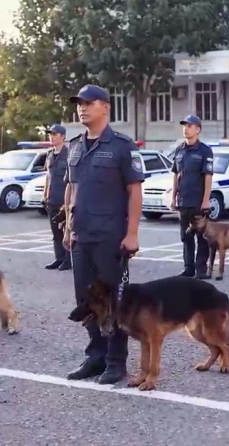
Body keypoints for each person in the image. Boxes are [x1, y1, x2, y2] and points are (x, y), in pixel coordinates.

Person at [62, 84, 144, 384]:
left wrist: (132, 233)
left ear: (105, 107)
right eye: (79, 104)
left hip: (111, 238)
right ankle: (95, 356)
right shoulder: (75, 145)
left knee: (113, 300)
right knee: (86, 300)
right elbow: (72, 188)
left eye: (88, 103)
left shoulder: (122, 145)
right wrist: (68, 228)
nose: (82, 108)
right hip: (81, 237)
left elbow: (135, 191)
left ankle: (115, 361)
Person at [170, 114, 214, 279]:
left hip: (198, 202)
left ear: (198, 129)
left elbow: (208, 176)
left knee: (202, 238)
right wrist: (173, 197)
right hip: (183, 202)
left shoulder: (204, 151)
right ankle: (189, 268)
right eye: (184, 126)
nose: (186, 129)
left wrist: (205, 200)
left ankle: (201, 270)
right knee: (185, 237)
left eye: (189, 126)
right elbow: (176, 174)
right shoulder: (179, 149)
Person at [42, 124, 71, 271]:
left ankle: (68, 260)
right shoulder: (49, 154)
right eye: (50, 134)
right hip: (52, 199)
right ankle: (58, 258)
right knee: (55, 232)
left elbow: (73, 179)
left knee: (67, 230)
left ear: (63, 137)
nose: (51, 137)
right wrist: (45, 194)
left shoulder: (69, 153)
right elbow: (48, 175)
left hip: (64, 200)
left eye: (54, 134)